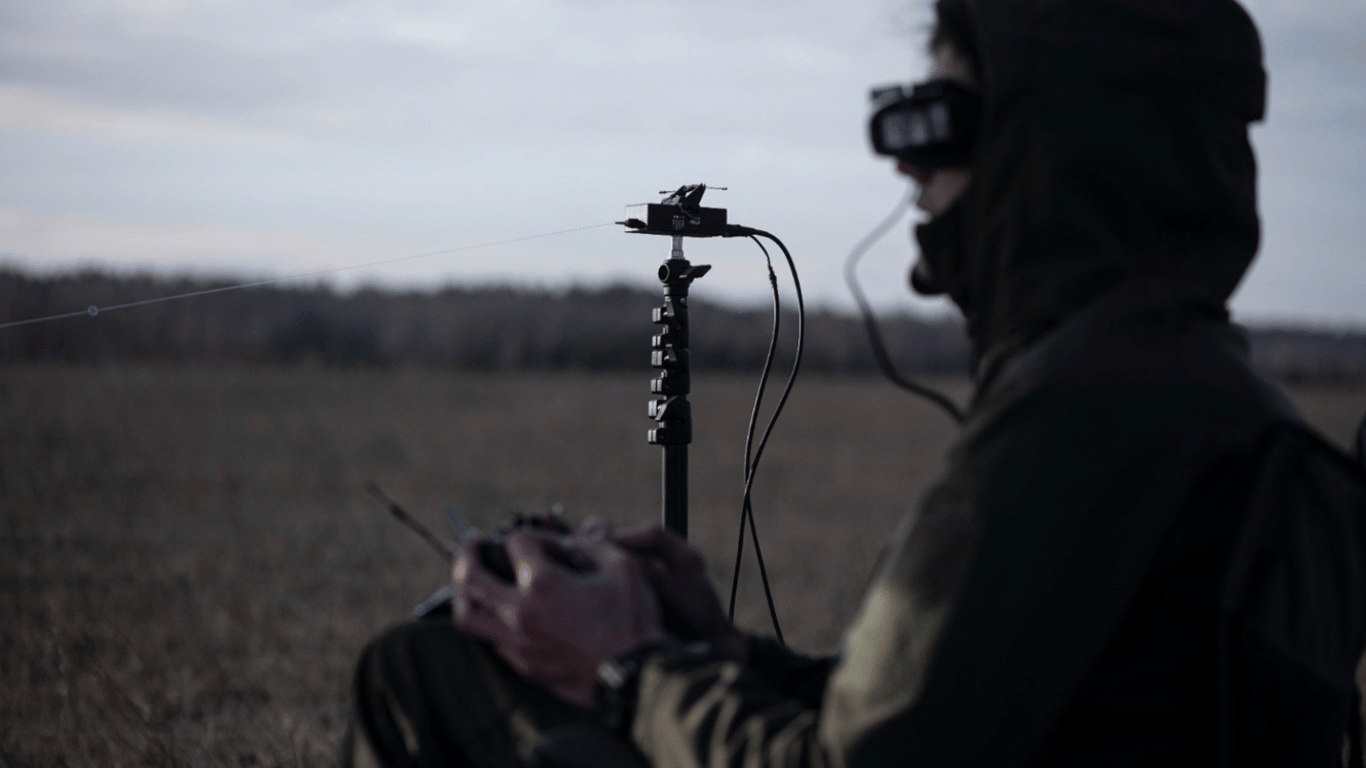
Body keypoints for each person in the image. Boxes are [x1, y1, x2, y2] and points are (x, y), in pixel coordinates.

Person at [345, 1, 1366, 766]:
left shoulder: (1079, 416)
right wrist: (727, 651)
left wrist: (626, 669)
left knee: (424, 664)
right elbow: (955, 724)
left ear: (1047, 143)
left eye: (940, 119)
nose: (904, 167)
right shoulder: (1217, 398)